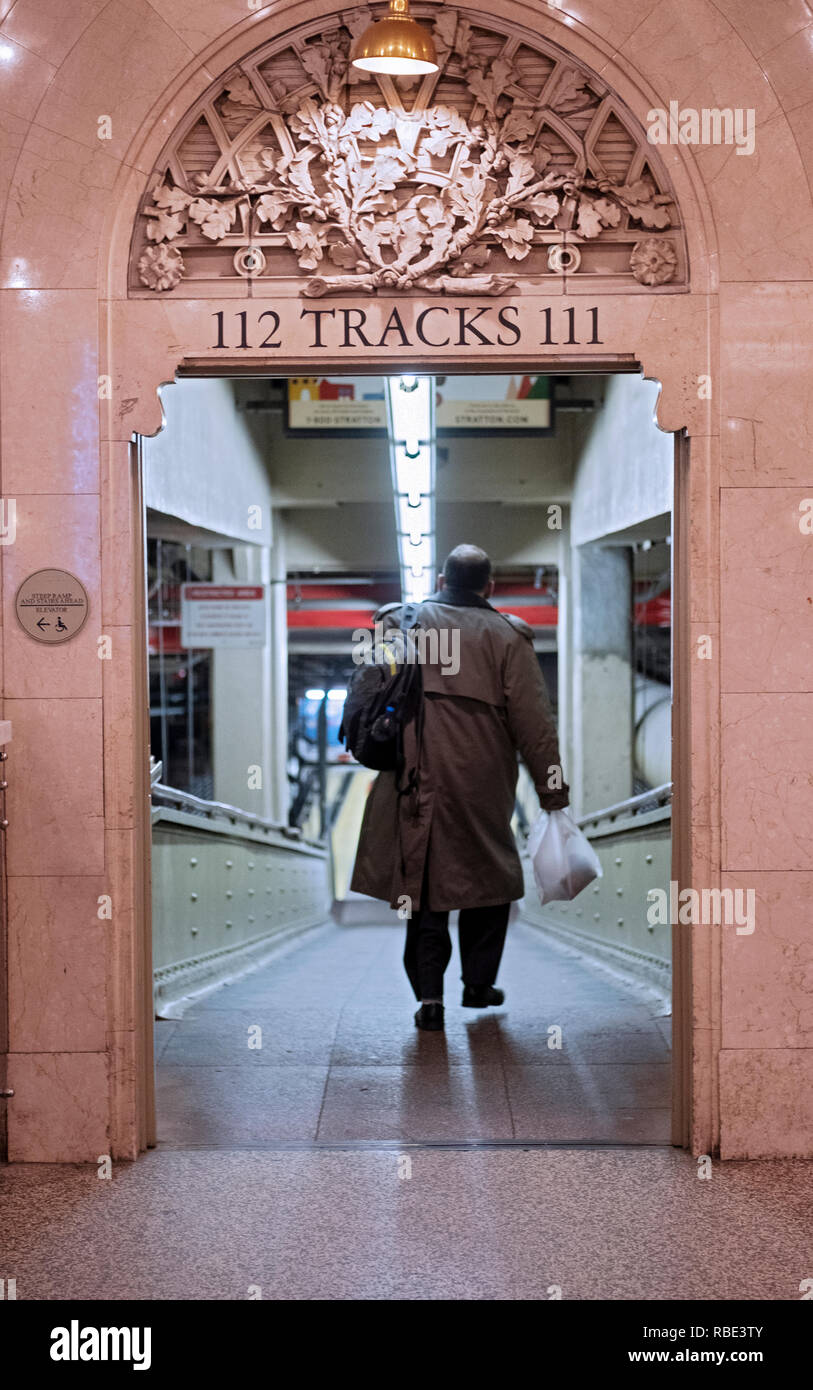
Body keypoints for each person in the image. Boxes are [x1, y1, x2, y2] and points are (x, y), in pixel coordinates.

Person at [351, 544, 570, 1031]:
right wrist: (553, 794)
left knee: (423, 890)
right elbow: (535, 726)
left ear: (438, 579)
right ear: (488, 586)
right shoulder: (508, 637)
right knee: (489, 882)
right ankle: (477, 984)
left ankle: (430, 999)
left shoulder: (405, 622)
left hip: (414, 777)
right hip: (483, 784)